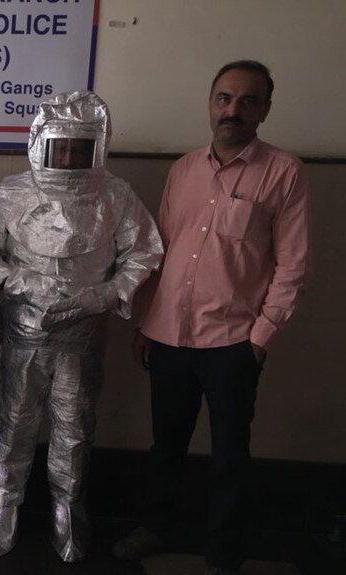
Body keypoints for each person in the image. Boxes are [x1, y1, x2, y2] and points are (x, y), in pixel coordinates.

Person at [111, 61, 310, 575]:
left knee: (229, 456)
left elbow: (292, 266)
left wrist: (261, 339)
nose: (233, 110)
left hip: (233, 342)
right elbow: (161, 250)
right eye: (224, 98)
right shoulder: (182, 169)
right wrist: (145, 322)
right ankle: (157, 527)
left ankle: (223, 552)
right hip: (169, 336)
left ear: (265, 109)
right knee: (166, 446)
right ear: (209, 103)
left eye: (247, 101)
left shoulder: (283, 173)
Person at [0, 91, 163, 562]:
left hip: (84, 336)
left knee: (74, 428)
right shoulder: (14, 193)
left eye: (81, 147)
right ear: (40, 144)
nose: (71, 156)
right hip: (22, 335)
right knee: (12, 424)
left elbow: (145, 252)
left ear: (98, 147)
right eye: (62, 145)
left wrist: (107, 292)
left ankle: (68, 510)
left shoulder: (115, 194)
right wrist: (14, 282)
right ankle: (3, 504)